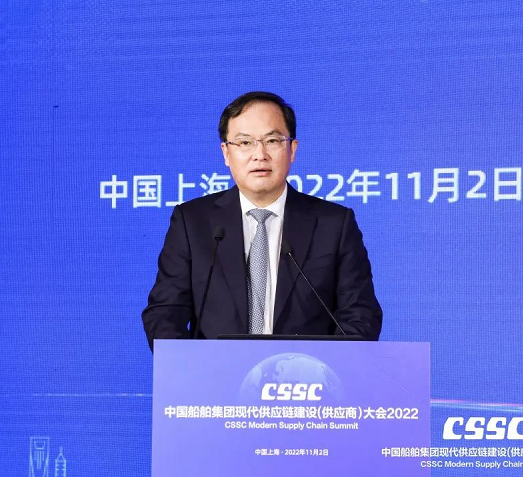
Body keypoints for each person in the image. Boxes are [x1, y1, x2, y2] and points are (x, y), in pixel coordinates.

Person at [142, 92, 382, 350]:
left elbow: (360, 315)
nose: (260, 154)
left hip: (303, 373)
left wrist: (325, 367)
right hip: (218, 373)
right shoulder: (193, 222)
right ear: (226, 153)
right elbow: (165, 313)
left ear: (292, 149)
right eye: (245, 142)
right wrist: (189, 367)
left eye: (272, 140)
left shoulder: (334, 224)